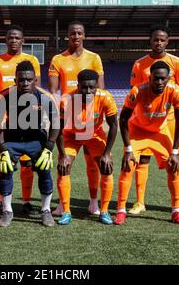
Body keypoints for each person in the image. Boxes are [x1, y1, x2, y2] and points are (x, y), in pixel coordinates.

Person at [115, 61, 179, 226]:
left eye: (163, 79)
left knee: (174, 166)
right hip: (138, 131)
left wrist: (175, 152)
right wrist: (128, 149)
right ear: (150, 78)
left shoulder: (175, 91)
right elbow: (123, 118)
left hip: (159, 131)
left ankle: (176, 210)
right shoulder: (138, 91)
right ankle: (120, 210)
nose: (160, 82)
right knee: (128, 165)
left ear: (169, 78)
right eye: (156, 79)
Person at [0, 60, 60, 227]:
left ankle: (46, 210)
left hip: (37, 140)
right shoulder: (5, 95)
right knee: (5, 171)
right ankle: (7, 210)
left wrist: (49, 147)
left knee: (44, 172)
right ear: (15, 80)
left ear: (35, 80)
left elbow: (56, 122)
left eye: (29, 79)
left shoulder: (44, 97)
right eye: (21, 80)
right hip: (12, 141)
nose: (25, 83)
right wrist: (2, 147)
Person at [128, 24, 179, 216]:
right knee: (143, 158)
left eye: (162, 40)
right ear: (150, 40)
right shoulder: (139, 64)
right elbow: (136, 90)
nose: (159, 43)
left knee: (173, 160)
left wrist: (170, 105)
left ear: (167, 41)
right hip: (146, 118)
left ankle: (178, 204)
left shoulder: (177, 62)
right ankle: (139, 202)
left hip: (168, 119)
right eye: (156, 39)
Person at [48, 21, 105, 217]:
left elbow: (101, 89)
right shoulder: (58, 59)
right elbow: (54, 91)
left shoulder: (94, 58)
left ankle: (93, 202)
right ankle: (63, 205)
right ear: (68, 36)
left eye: (80, 33)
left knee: (93, 164)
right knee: (64, 164)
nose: (76, 36)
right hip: (69, 122)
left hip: (90, 122)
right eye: (73, 33)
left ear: (84, 35)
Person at [0, 25, 41, 216]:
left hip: (25, 119)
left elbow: (37, 90)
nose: (14, 41)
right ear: (6, 40)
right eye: (10, 38)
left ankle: (26, 201)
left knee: (27, 163)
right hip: (3, 118)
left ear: (23, 40)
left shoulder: (31, 60)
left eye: (17, 38)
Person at [56, 69, 118, 225]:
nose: (88, 91)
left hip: (95, 135)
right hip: (72, 136)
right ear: (78, 85)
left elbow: (114, 126)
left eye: (92, 87)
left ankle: (104, 211)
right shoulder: (67, 100)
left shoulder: (105, 98)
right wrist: (63, 155)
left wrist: (107, 153)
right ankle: (66, 211)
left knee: (106, 167)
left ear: (97, 85)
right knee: (64, 167)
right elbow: (58, 130)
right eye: (84, 87)